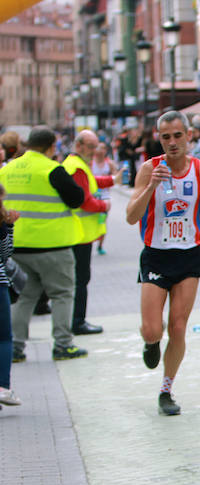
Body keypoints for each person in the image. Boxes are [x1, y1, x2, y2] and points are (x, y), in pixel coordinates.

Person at [125, 111, 200, 416]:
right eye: (165, 137)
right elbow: (131, 216)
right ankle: (151, 343)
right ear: (159, 139)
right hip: (156, 254)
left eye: (177, 135)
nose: (172, 142)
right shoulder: (149, 169)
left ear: (189, 135)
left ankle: (166, 390)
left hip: (188, 254)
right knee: (152, 329)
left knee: (179, 326)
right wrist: (150, 187)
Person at [1, 126, 95, 363]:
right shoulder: (53, 169)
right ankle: (63, 345)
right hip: (53, 245)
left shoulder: (7, 170)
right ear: (52, 146)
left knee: (24, 298)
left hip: (18, 245)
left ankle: (15, 348)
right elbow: (76, 199)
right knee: (62, 294)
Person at [63, 130, 115, 336]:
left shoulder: (75, 164)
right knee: (80, 279)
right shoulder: (76, 167)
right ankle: (78, 322)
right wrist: (105, 205)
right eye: (91, 147)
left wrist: (112, 179)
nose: (94, 152)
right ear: (79, 146)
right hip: (79, 233)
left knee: (76, 279)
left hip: (77, 232)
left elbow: (91, 181)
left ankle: (74, 320)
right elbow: (85, 200)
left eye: (96, 147)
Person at [0, 183, 20, 409]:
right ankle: (3, 387)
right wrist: (9, 227)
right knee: (3, 338)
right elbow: (5, 255)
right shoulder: (2, 224)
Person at [91, 141, 120, 256]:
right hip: (92, 195)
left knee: (102, 220)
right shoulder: (90, 163)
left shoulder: (109, 163)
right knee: (92, 219)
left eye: (103, 148)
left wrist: (108, 178)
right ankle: (90, 239)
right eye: (98, 148)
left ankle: (100, 245)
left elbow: (116, 176)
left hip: (105, 196)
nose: (100, 150)